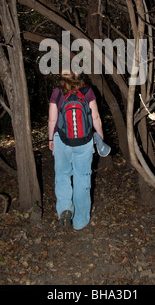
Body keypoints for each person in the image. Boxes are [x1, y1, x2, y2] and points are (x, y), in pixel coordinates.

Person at [48, 70, 103, 230]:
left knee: (62, 175)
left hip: (62, 141)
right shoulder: (87, 91)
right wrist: (100, 138)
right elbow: (95, 117)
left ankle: (65, 208)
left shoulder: (57, 93)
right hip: (84, 142)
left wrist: (51, 138)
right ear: (77, 76)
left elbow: (53, 119)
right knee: (82, 179)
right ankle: (80, 222)